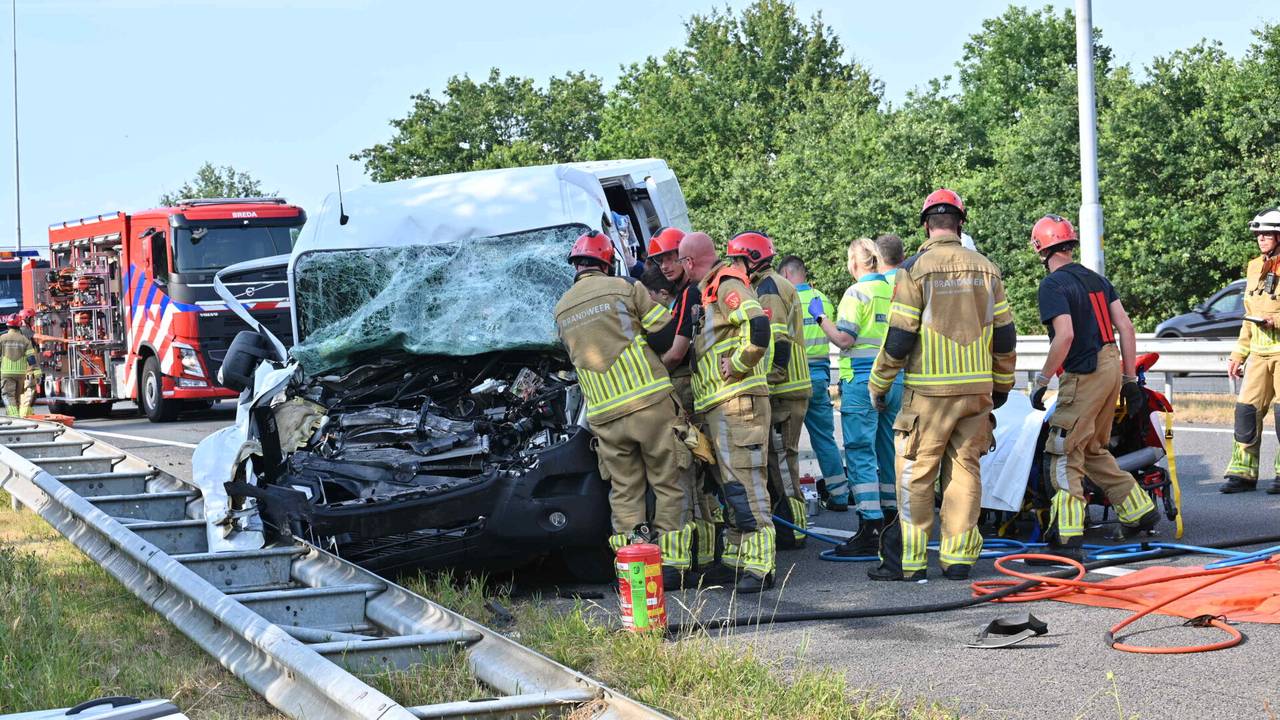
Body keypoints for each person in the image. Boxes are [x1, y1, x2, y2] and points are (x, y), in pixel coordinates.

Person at [867, 189, 1017, 581]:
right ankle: (958, 559)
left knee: (916, 473)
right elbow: (1005, 335)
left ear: (926, 225)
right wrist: (1001, 385)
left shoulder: (913, 270)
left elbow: (900, 336)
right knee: (965, 471)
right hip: (976, 392)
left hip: (928, 395)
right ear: (960, 224)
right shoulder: (988, 269)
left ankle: (911, 562)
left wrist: (879, 383)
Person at [553, 231, 693, 583]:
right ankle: (672, 564)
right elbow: (664, 333)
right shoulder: (624, 288)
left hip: (604, 416)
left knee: (625, 491)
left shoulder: (561, 308)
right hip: (649, 402)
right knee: (667, 482)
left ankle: (635, 567)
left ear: (575, 265)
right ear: (606, 262)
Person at [1028, 215, 1159, 557]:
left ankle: (1066, 537)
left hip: (1084, 373)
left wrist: (1042, 380)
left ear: (1041, 249)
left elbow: (1065, 336)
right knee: (1092, 449)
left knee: (1063, 451)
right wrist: (1128, 379)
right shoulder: (1098, 280)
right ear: (1069, 244)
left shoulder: (1053, 285)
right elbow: (1126, 328)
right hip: (1111, 366)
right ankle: (1139, 510)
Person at [678, 230, 776, 592]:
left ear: (689, 262)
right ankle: (737, 561)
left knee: (746, 484)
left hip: (736, 402)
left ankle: (761, 566)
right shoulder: (710, 290)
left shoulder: (725, 283)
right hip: (719, 405)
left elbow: (758, 325)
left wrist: (737, 364)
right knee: (731, 488)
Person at [811, 239, 901, 555]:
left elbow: (844, 339)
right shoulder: (893, 290)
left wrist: (820, 317)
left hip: (862, 382)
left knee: (861, 452)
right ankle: (892, 524)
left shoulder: (856, 293)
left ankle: (870, 527)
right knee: (889, 450)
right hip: (894, 379)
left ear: (854, 262)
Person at [727, 232, 810, 548]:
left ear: (751, 259)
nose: (734, 267)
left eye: (736, 261)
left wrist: (770, 378)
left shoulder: (769, 288)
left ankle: (795, 530)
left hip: (784, 388)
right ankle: (789, 526)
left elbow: (778, 340)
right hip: (785, 388)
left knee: (783, 462)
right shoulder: (769, 284)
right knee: (778, 460)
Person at [648, 226, 723, 570]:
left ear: (686, 257)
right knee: (698, 473)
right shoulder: (685, 294)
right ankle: (705, 554)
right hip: (696, 391)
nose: (665, 265)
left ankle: (703, 555)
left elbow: (677, 352)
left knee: (690, 472)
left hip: (687, 392)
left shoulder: (691, 293)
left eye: (670, 257)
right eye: (659, 260)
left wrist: (650, 376)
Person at [778, 255, 846, 510]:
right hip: (819, 378)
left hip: (793, 380)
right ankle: (839, 495)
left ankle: (790, 500)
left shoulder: (784, 298)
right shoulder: (822, 299)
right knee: (824, 440)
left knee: (787, 444)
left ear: (786, 274)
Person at [1223, 207, 1280, 493]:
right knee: (1246, 411)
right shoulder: (1255, 267)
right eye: (1258, 234)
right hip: (1258, 354)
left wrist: (1276, 321)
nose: (1261, 238)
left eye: (1267, 233)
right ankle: (1243, 473)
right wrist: (1238, 354)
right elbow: (1249, 315)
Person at [0, 314, 37, 417]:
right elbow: (31, 359)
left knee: (8, 396)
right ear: (19, 325)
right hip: (20, 374)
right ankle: (14, 417)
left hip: (6, 373)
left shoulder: (2, 339)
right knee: (17, 398)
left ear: (8, 325)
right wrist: (35, 373)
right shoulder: (24, 340)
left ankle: (14, 417)